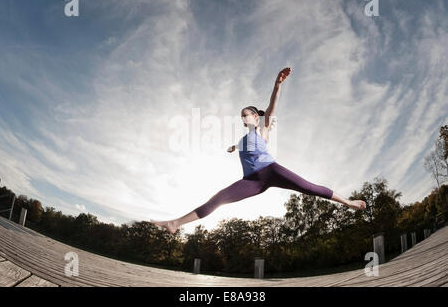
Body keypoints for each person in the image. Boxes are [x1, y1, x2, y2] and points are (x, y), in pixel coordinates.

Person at [152, 67, 366, 234]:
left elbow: (272, 106)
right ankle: (175, 223)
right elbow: (243, 146)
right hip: (251, 181)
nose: (244, 117)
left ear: (256, 117)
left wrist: (277, 85)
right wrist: (233, 147)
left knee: (308, 188)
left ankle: (348, 202)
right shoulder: (244, 139)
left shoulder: (263, 129)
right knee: (217, 199)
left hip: (271, 170)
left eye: (247, 114)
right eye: (241, 116)